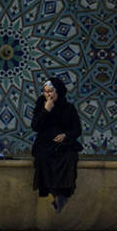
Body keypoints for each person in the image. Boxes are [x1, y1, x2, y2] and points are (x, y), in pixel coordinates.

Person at [31, 76, 82, 212]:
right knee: (43, 158)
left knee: (69, 158)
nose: (48, 95)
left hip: (64, 145)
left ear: (58, 91)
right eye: (45, 91)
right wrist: (45, 110)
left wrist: (65, 136)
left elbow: (77, 129)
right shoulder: (41, 105)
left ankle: (63, 194)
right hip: (45, 144)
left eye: (51, 91)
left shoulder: (68, 108)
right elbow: (35, 126)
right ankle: (54, 194)